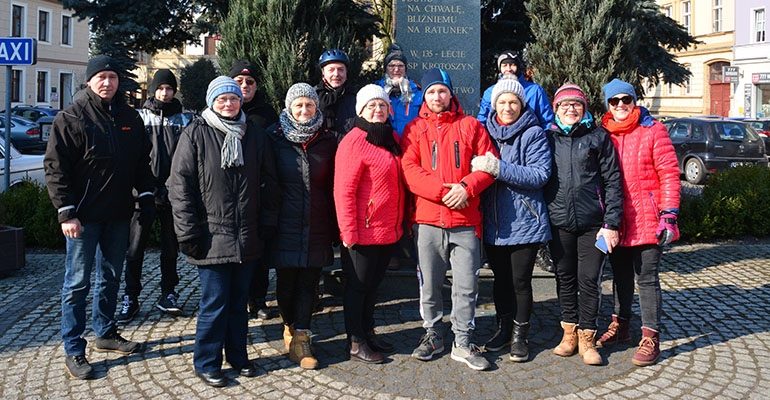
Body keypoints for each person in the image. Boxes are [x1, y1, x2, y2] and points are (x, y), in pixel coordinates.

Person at [44, 55, 155, 380]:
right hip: (82, 218)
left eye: (112, 77)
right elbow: (55, 168)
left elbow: (140, 164)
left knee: (110, 278)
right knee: (77, 284)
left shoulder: (130, 117)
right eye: (101, 77)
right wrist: (66, 211)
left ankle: (105, 332)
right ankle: (74, 349)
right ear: (90, 81)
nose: (107, 82)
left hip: (118, 215)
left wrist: (145, 194)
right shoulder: (72, 117)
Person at [167, 76, 279, 387]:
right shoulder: (196, 134)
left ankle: (238, 356)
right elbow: (180, 188)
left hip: (247, 237)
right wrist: (187, 232)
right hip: (210, 237)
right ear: (211, 102)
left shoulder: (254, 135)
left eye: (233, 98)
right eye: (221, 99)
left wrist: (267, 222)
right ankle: (206, 361)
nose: (228, 104)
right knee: (214, 303)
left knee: (239, 303)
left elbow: (269, 183)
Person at [401, 68, 497, 371]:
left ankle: (463, 340)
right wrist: (443, 192)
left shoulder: (471, 126)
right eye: (431, 92)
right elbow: (409, 169)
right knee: (429, 284)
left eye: (442, 91)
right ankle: (432, 334)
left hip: (465, 221)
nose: (437, 96)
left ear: (451, 94)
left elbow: (489, 164)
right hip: (428, 220)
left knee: (466, 285)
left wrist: (466, 188)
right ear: (425, 96)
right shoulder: (414, 129)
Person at [598, 78, 681, 367]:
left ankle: (651, 337)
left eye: (626, 100)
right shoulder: (604, 133)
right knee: (620, 277)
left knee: (646, 279)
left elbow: (669, 172)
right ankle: (621, 326)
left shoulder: (653, 130)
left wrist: (669, 214)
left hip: (648, 217)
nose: (621, 105)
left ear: (634, 101)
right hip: (617, 220)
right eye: (614, 101)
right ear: (607, 105)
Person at [471, 77, 551, 362]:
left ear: (521, 105)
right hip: (493, 223)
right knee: (500, 282)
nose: (507, 107)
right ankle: (502, 329)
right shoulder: (484, 133)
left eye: (513, 102)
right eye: (502, 102)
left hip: (524, 222)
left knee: (519, 282)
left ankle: (520, 336)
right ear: (494, 105)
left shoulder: (533, 133)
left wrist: (498, 168)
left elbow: (539, 174)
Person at [544, 83, 623, 366]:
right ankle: (569, 333)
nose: (570, 109)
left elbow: (613, 182)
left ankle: (588, 337)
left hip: (596, 226)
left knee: (589, 279)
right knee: (564, 278)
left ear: (584, 108)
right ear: (556, 109)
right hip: (559, 223)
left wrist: (611, 222)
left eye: (576, 104)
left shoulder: (598, 137)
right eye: (564, 105)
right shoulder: (548, 137)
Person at [265, 83, 338, 370]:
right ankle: (289, 325)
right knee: (286, 282)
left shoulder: (327, 139)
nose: (305, 110)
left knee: (310, 281)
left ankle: (303, 338)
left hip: (317, 221)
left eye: (310, 105)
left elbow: (334, 183)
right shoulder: (274, 137)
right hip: (285, 222)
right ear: (289, 108)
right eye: (299, 105)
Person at [334, 84, 404, 364]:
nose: (378, 110)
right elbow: (344, 190)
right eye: (372, 106)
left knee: (373, 286)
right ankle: (355, 341)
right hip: (362, 231)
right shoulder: (354, 140)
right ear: (361, 110)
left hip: (387, 230)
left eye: (382, 106)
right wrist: (348, 231)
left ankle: (368, 331)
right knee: (357, 287)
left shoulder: (390, 137)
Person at [118, 69, 194, 324]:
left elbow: (187, 159)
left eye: (169, 89)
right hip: (143, 194)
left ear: (174, 91)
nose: (165, 93)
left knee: (170, 248)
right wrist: (141, 187)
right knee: (134, 248)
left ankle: (169, 293)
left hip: (173, 194)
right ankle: (131, 296)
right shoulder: (139, 117)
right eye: (161, 88)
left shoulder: (185, 120)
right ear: (153, 91)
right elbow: (133, 156)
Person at [229, 59, 280, 320]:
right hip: (228, 194)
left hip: (257, 191)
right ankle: (237, 299)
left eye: (250, 82)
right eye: (239, 81)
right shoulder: (221, 109)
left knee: (258, 252)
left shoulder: (266, 114)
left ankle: (258, 300)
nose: (245, 85)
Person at [478, 50, 553, 129]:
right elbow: (482, 121)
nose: (508, 69)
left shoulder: (535, 91)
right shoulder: (490, 92)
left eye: (512, 65)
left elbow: (546, 121)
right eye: (504, 65)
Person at [374, 43, 423, 136]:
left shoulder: (418, 93)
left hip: (411, 144)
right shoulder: (376, 91)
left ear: (405, 69)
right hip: (385, 144)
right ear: (386, 69)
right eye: (391, 66)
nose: (396, 70)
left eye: (400, 66)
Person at [315, 48, 357, 137]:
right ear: (323, 72)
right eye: (331, 70)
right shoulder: (313, 96)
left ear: (346, 72)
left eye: (341, 69)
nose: (336, 74)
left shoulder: (356, 97)